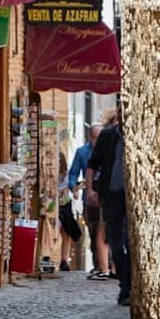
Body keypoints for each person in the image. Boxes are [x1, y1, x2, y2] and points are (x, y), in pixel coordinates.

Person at [85, 99, 130, 307]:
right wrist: (90, 190)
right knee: (115, 240)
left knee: (130, 242)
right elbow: (92, 164)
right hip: (111, 195)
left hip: (131, 197)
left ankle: (130, 284)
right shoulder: (108, 136)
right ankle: (125, 286)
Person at [68, 123, 110, 279]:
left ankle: (108, 266)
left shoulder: (108, 151)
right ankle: (98, 264)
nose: (98, 141)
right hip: (90, 198)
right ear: (90, 137)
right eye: (95, 137)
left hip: (106, 196)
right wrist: (74, 188)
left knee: (105, 232)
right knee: (93, 232)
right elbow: (73, 173)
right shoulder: (82, 152)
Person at [56, 151, 75, 271]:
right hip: (54, 205)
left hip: (64, 205)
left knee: (66, 233)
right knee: (55, 230)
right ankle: (56, 257)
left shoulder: (65, 175)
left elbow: (68, 187)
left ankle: (64, 259)